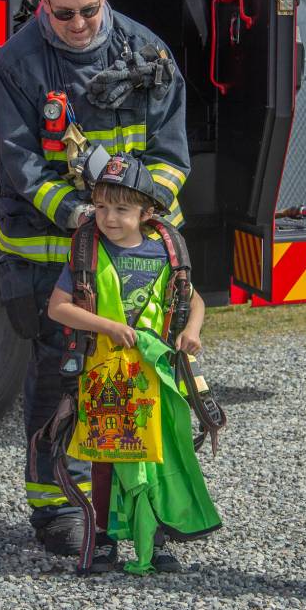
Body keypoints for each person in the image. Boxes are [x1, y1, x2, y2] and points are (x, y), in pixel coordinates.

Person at [0, 0, 190, 556]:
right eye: (64, 14)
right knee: (60, 375)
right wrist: (84, 216)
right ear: (41, 3)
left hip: (140, 253)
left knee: (143, 376)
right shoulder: (17, 63)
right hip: (50, 249)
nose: (78, 26)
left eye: (89, 11)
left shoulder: (149, 53)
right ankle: (57, 511)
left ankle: (140, 505)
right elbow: (21, 165)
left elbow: (172, 156)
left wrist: (136, 211)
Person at [48, 154, 220, 574]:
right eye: (102, 206)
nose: (109, 217)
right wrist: (105, 325)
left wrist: (192, 329)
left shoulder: (164, 251)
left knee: (155, 457)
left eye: (122, 209)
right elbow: (58, 308)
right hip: (104, 373)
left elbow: (192, 298)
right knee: (106, 458)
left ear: (147, 212)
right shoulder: (87, 253)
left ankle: (157, 538)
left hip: (153, 375)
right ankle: (105, 539)